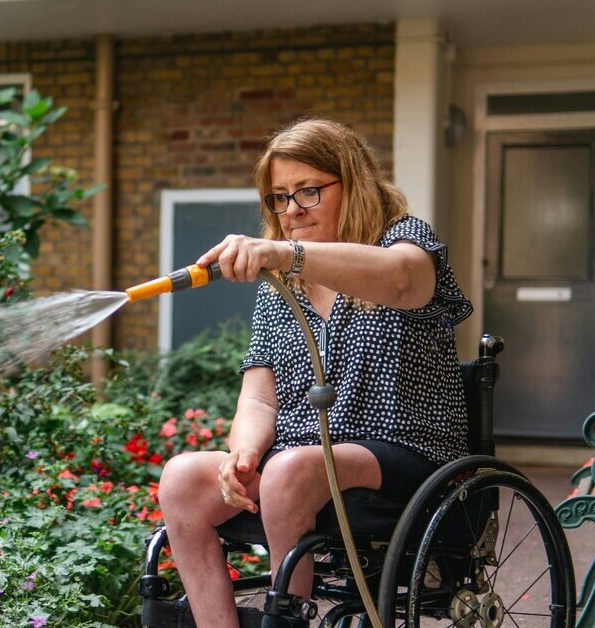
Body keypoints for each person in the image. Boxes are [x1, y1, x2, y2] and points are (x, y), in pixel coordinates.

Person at [156, 117, 473, 627]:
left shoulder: (403, 240)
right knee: (182, 480)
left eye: (307, 191)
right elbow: (260, 398)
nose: (291, 211)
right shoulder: (278, 285)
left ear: (353, 182)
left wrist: (290, 254)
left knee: (289, 469)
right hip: (304, 462)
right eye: (279, 198)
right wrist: (244, 451)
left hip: (407, 452)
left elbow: (402, 282)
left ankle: (289, 619)